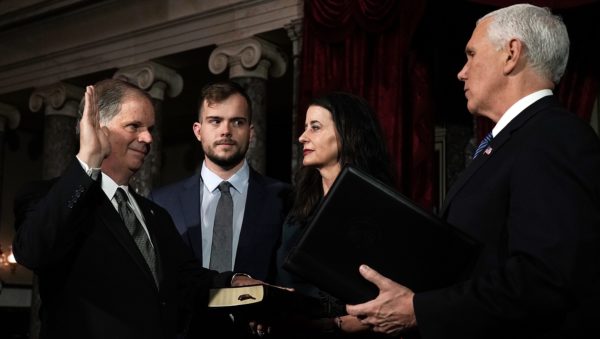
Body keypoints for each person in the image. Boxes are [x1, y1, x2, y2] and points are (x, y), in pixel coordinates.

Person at [345, 4, 600, 339]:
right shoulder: (513, 140)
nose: (461, 72)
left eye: (471, 54)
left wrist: (419, 310)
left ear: (511, 54)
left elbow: (543, 278)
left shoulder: (554, 136)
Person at [12, 78, 260, 339]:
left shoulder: (156, 214)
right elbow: (33, 252)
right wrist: (87, 160)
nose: (148, 138)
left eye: (150, 128)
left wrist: (234, 281)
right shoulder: (44, 196)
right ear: (97, 128)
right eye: (134, 126)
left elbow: (185, 279)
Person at [149, 80, 291, 337]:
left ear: (251, 131)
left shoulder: (283, 198)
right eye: (215, 121)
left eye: (237, 122)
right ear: (198, 130)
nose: (226, 130)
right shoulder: (162, 202)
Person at [272, 91, 395, 338]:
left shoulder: (381, 207)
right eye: (305, 127)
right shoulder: (296, 207)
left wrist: (336, 323)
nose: (302, 137)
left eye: (315, 127)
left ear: (346, 133)